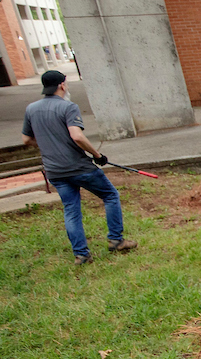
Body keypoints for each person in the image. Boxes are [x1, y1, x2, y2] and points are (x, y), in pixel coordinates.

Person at [21, 69, 137, 265]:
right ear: (62, 85)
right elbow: (77, 136)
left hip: (55, 172)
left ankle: (82, 255)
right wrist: (97, 155)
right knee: (110, 195)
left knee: (71, 210)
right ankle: (116, 240)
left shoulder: (31, 109)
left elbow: (26, 139)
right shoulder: (68, 107)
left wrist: (48, 144)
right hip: (79, 168)